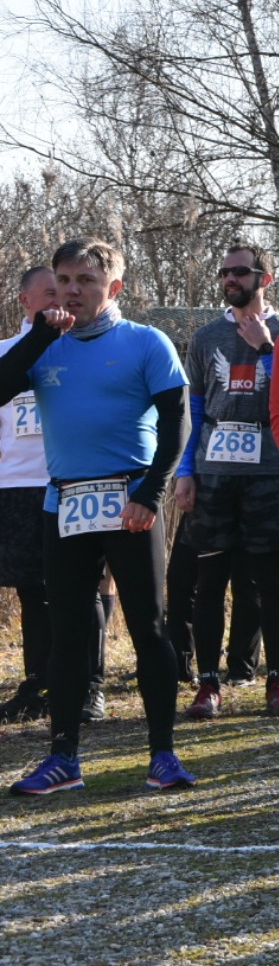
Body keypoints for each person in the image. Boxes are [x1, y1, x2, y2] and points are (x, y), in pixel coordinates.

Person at [3, 239, 195, 794]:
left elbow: (177, 423)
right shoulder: (44, 345)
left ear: (114, 288)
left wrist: (151, 493)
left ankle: (163, 752)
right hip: (62, 503)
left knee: (147, 627)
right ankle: (63, 756)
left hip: (131, 499)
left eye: (85, 280)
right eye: (63, 280)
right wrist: (41, 334)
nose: (71, 291)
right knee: (68, 634)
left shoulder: (145, 342)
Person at [177, 245, 279, 721]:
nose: (230, 278)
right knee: (210, 581)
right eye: (225, 271)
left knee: (270, 580)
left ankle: (277, 681)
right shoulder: (206, 337)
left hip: (271, 474)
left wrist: (263, 347)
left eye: (240, 272)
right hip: (216, 475)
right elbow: (195, 409)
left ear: (263, 278)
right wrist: (186, 472)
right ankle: (208, 684)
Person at [0, 267, 57, 721]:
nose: (61, 299)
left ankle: (85, 681)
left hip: (68, 482)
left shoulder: (78, 352)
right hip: (17, 488)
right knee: (32, 591)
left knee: (82, 587)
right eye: (49, 293)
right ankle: (37, 681)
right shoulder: (4, 355)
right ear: (25, 301)